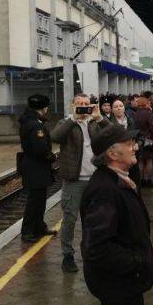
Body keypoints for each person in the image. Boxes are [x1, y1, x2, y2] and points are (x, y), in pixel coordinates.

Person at [81, 125, 153, 305]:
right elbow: (97, 247)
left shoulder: (118, 180)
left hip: (122, 285)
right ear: (112, 154)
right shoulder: (104, 189)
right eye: (129, 144)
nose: (135, 147)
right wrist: (137, 262)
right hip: (119, 284)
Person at [51, 93, 110, 273]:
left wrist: (100, 118)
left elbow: (113, 134)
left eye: (86, 104)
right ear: (72, 105)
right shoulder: (66, 123)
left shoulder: (94, 123)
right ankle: (68, 256)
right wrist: (73, 119)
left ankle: (90, 252)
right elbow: (55, 136)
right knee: (69, 219)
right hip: (73, 181)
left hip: (95, 179)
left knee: (92, 219)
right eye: (79, 104)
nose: (83, 107)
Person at [18, 94, 57, 242]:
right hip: (36, 166)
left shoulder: (28, 121)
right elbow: (40, 149)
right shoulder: (36, 125)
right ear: (43, 108)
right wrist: (51, 157)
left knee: (39, 199)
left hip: (33, 165)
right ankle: (27, 232)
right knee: (35, 200)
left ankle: (39, 227)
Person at [133, 97, 153, 188]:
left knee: (140, 160)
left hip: (138, 140)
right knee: (149, 160)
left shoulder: (134, 113)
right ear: (145, 103)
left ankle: (141, 181)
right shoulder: (148, 113)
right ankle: (148, 180)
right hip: (148, 139)